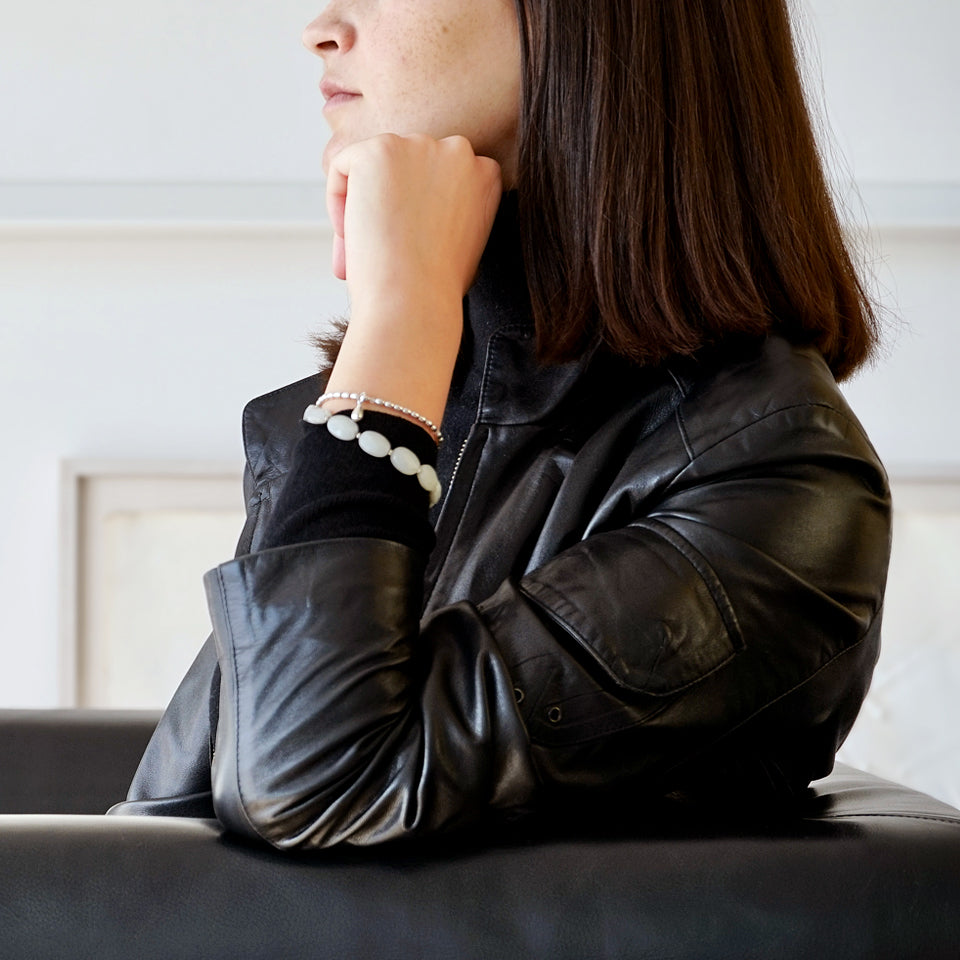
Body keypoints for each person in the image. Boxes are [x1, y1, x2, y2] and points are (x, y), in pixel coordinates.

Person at [109, 0, 892, 849]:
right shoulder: (426, 400)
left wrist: (402, 312)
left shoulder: (776, 481)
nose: (323, 27)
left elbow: (313, 785)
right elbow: (171, 831)